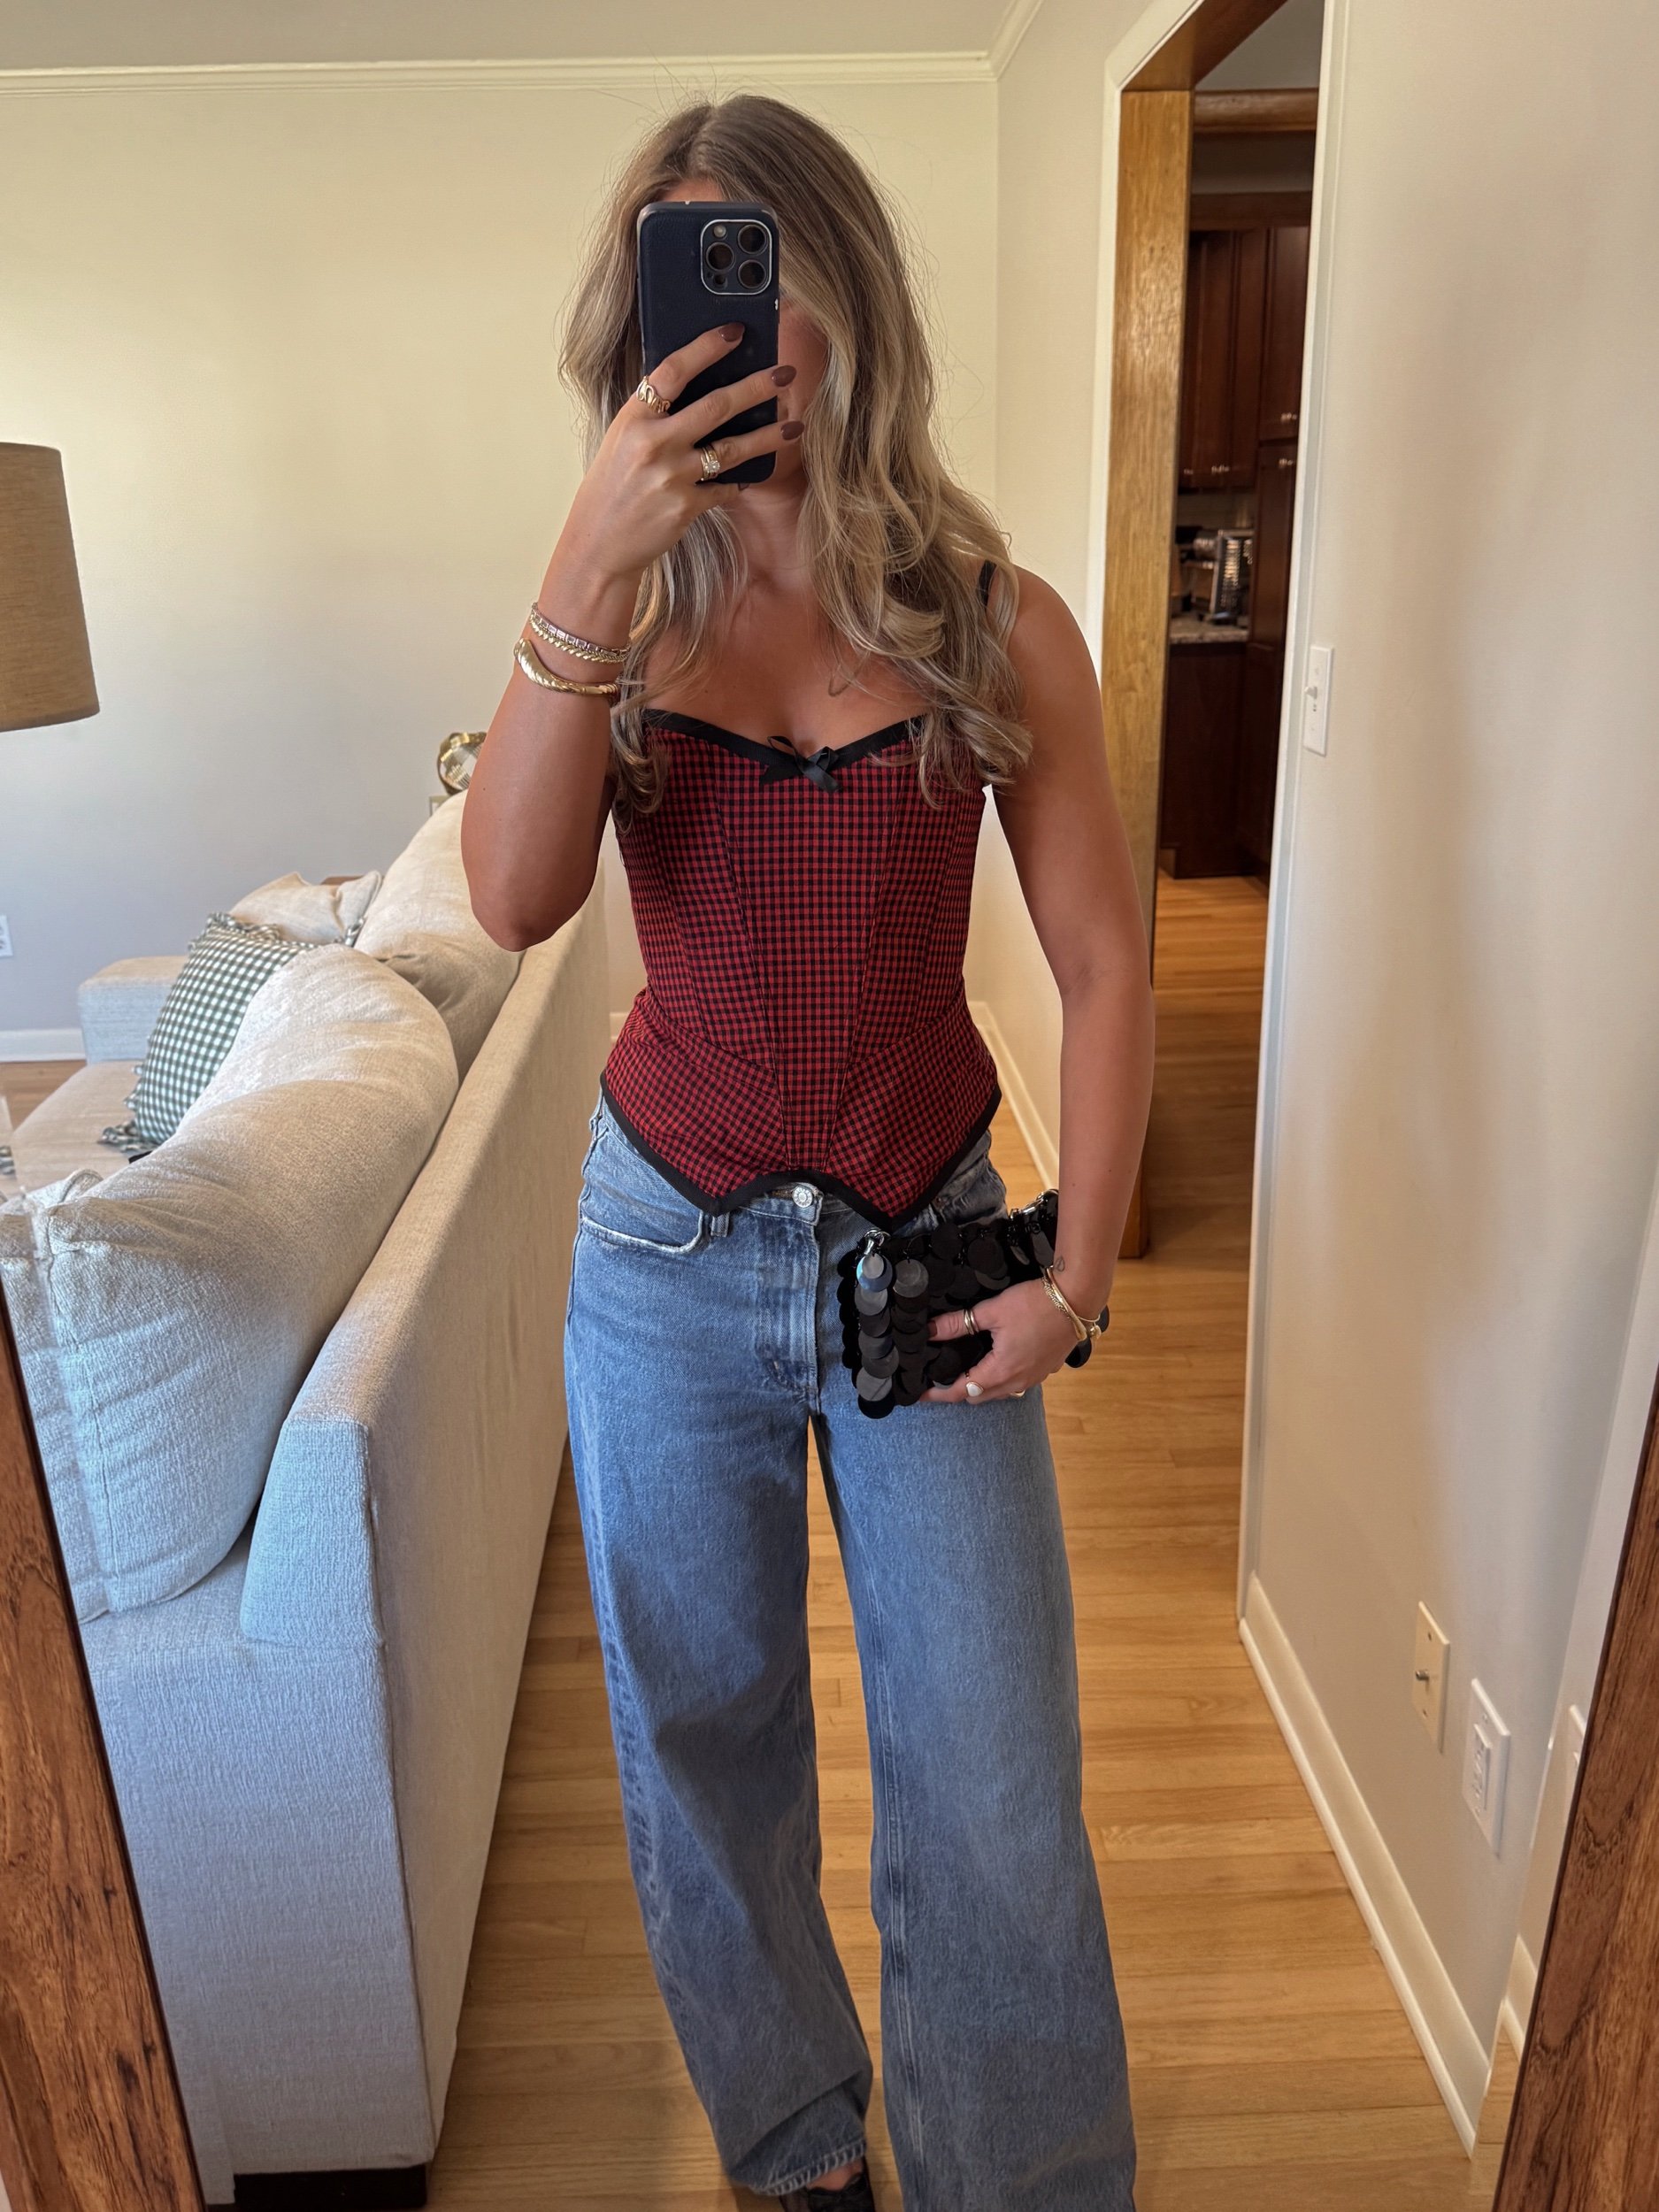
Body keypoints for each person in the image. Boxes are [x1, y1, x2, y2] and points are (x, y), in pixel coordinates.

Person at [462, 92, 1154, 2212]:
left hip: (927, 1240)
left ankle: (1018, 2178)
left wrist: (1075, 1276)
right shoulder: (615, 611)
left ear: (841, 297)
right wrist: (584, 561)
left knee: (995, 1776)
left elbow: (1102, 964)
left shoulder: (992, 616)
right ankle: (792, 2153)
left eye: (759, 278)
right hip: (660, 1256)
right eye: (684, 288)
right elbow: (512, 900)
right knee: (702, 1746)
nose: (729, 333)